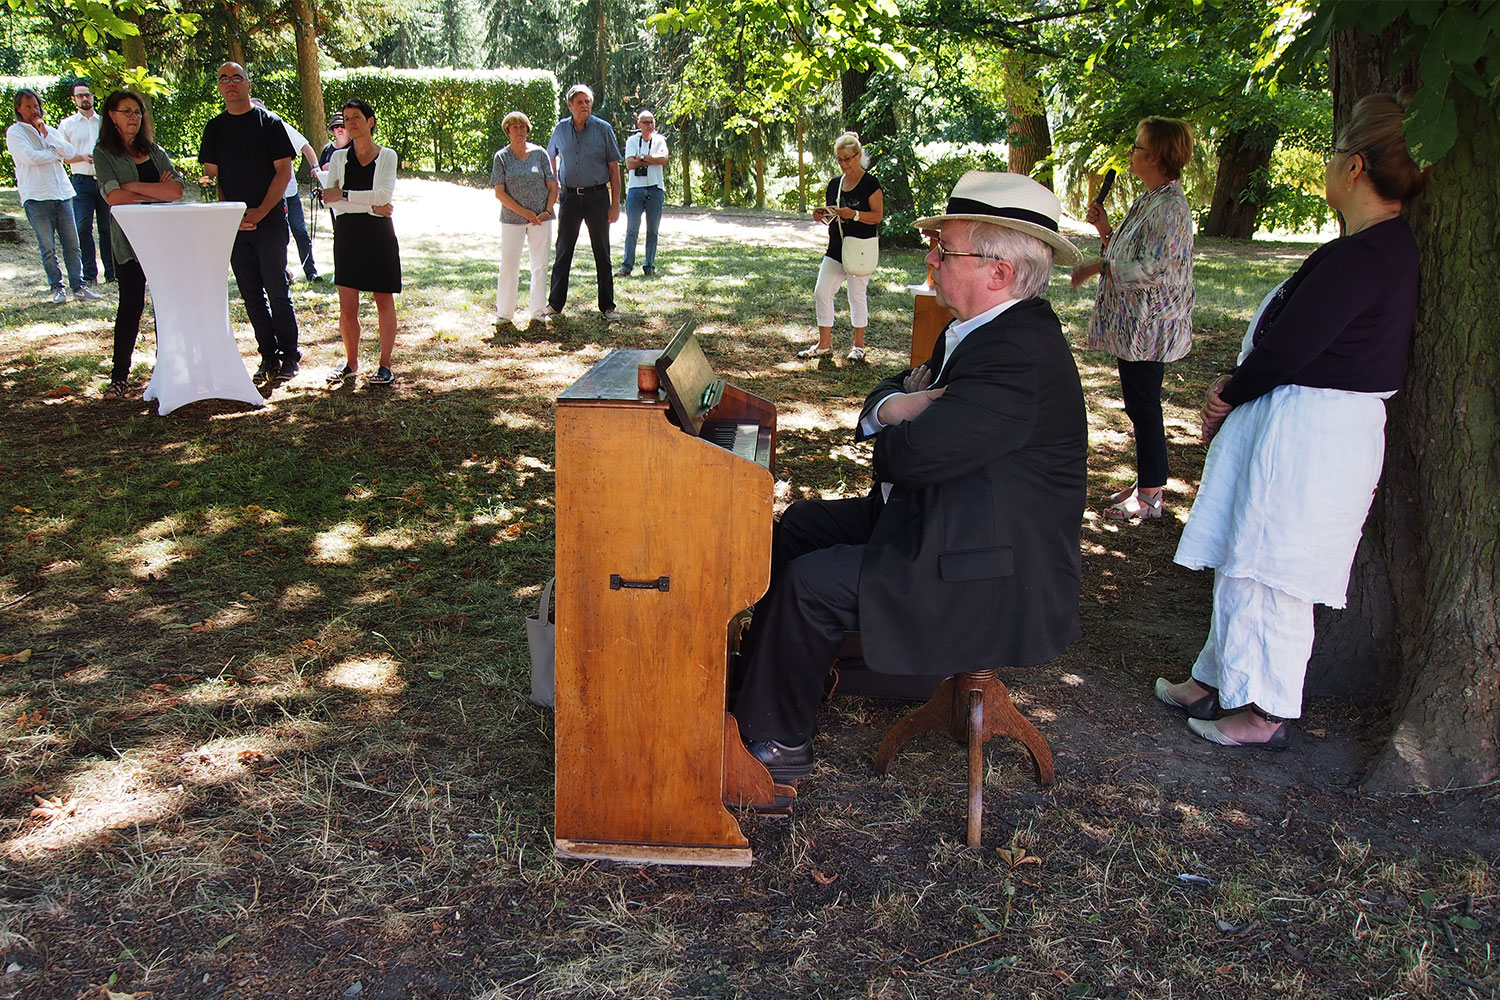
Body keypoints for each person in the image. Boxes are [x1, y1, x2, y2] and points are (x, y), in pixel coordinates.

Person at [732, 171, 1087, 780]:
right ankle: (775, 679)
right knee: (800, 526)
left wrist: (905, 414)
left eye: (945, 250)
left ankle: (772, 745)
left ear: (998, 272)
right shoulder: (977, 329)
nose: (931, 258)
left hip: (981, 565)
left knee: (810, 584)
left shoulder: (1016, 353)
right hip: (945, 517)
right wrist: (901, 406)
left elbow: (908, 457)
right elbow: (893, 395)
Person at [1157, 95, 1425, 750]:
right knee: (1241, 555)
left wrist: (1228, 394)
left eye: (1334, 155)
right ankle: (1215, 675)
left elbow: (1292, 345)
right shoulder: (1368, 247)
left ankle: (1265, 710)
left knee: (1272, 570)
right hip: (1299, 426)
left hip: (1315, 437)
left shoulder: (1372, 253)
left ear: (1356, 167)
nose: (1329, 165)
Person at [1069, 116, 1195, 521]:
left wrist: (1098, 266)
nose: (1130, 154)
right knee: (1139, 404)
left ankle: (1151, 494)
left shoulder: (1170, 207)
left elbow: (1153, 268)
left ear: (1155, 157)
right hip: (1136, 324)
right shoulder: (1151, 198)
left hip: (1151, 326)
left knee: (1144, 405)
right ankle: (1148, 481)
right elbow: (1130, 253)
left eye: (1137, 148)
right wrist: (1106, 231)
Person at [198, 61, 302, 381]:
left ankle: (289, 356)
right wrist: (230, 214)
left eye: (237, 78)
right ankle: (267, 356)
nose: (230, 84)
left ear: (248, 85)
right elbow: (212, 177)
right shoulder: (214, 128)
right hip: (233, 224)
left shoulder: (270, 124)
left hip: (269, 220)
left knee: (276, 289)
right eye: (224, 79)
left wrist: (259, 211)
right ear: (219, 86)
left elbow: (283, 172)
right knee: (250, 295)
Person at [92, 90, 184, 398]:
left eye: (138, 112)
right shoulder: (104, 152)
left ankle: (167, 372)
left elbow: (176, 191)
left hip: (162, 239)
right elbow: (113, 197)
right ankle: (119, 378)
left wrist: (132, 187)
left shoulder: (153, 150)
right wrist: (154, 190)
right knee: (130, 306)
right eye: (127, 111)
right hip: (129, 241)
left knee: (166, 307)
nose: (134, 117)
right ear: (112, 116)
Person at [321, 99, 400, 386]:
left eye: (356, 117)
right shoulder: (339, 158)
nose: (350, 123)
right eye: (346, 118)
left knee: (383, 298)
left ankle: (385, 365)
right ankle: (351, 363)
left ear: (370, 121)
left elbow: (383, 195)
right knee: (347, 305)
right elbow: (331, 200)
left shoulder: (387, 156)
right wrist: (369, 204)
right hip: (348, 234)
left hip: (379, 234)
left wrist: (347, 197)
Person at [6, 88, 100, 304]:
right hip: (37, 196)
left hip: (62, 193)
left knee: (72, 243)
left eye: (36, 105)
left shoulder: (48, 130)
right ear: (19, 109)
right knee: (47, 247)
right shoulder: (15, 132)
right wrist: (54, 154)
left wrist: (48, 136)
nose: (33, 110)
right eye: (28, 107)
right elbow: (30, 157)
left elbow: (68, 152)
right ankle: (57, 287)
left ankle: (79, 286)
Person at [799, 132, 883, 362]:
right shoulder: (835, 184)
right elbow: (831, 216)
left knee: (856, 294)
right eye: (839, 159)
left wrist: (854, 214)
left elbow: (877, 216)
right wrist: (822, 216)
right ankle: (824, 344)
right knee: (822, 291)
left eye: (848, 158)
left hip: (860, 248)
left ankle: (859, 346)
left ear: (858, 155)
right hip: (837, 246)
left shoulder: (870, 183)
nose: (844, 163)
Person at [543, 84, 621, 320]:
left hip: (597, 197)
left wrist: (615, 203)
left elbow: (614, 169)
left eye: (588, 101)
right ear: (570, 105)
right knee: (563, 250)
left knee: (602, 252)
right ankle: (555, 304)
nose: (584, 105)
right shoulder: (560, 129)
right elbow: (550, 156)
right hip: (568, 198)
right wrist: (554, 186)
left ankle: (608, 306)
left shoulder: (603, 129)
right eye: (579, 102)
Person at [491, 110, 557, 324]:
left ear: (527, 130)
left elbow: (552, 185)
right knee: (509, 264)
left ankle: (538, 311)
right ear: (507, 131)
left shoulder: (540, 154)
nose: (519, 131)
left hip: (541, 218)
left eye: (522, 127)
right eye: (514, 127)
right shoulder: (501, 157)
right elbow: (499, 192)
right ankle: (504, 313)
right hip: (512, 219)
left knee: (540, 264)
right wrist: (524, 212)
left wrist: (546, 211)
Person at [251, 97, 322, 283]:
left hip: (288, 192)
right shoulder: (247, 133)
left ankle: (311, 271)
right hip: (265, 196)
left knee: (299, 229)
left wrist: (315, 166)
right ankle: (281, 273)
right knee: (276, 235)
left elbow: (305, 146)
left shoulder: (278, 125)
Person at [59, 80, 114, 285]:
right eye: (80, 95)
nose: (85, 98)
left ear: (93, 96)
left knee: (107, 228)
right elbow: (62, 156)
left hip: (105, 180)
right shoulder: (67, 125)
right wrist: (82, 156)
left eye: (87, 95)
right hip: (81, 180)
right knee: (83, 227)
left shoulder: (104, 122)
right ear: (74, 99)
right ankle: (90, 274)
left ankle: (111, 272)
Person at [616, 108, 668, 277]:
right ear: (639, 124)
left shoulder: (660, 140)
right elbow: (629, 164)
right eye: (645, 122)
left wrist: (643, 158)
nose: (649, 125)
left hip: (655, 188)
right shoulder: (632, 141)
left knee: (652, 230)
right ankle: (627, 266)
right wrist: (651, 159)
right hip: (635, 189)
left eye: (652, 121)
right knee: (632, 229)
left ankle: (649, 266)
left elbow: (663, 159)